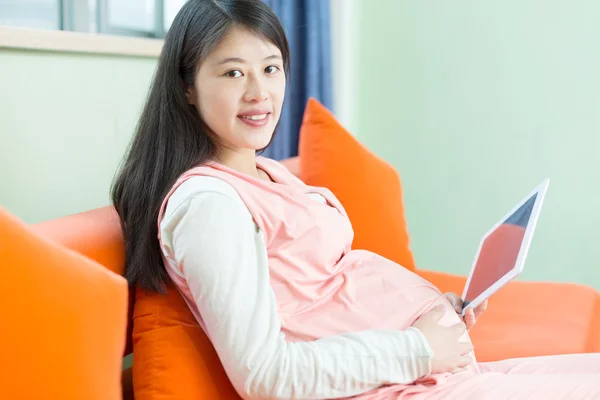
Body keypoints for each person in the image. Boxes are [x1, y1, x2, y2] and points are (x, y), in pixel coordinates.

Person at [110, 0, 600, 399]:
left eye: (271, 68)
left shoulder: (263, 172)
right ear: (187, 87)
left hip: (424, 373)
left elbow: (324, 293)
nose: (259, 92)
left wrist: (430, 312)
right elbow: (265, 375)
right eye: (233, 73)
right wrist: (417, 348)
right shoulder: (208, 205)